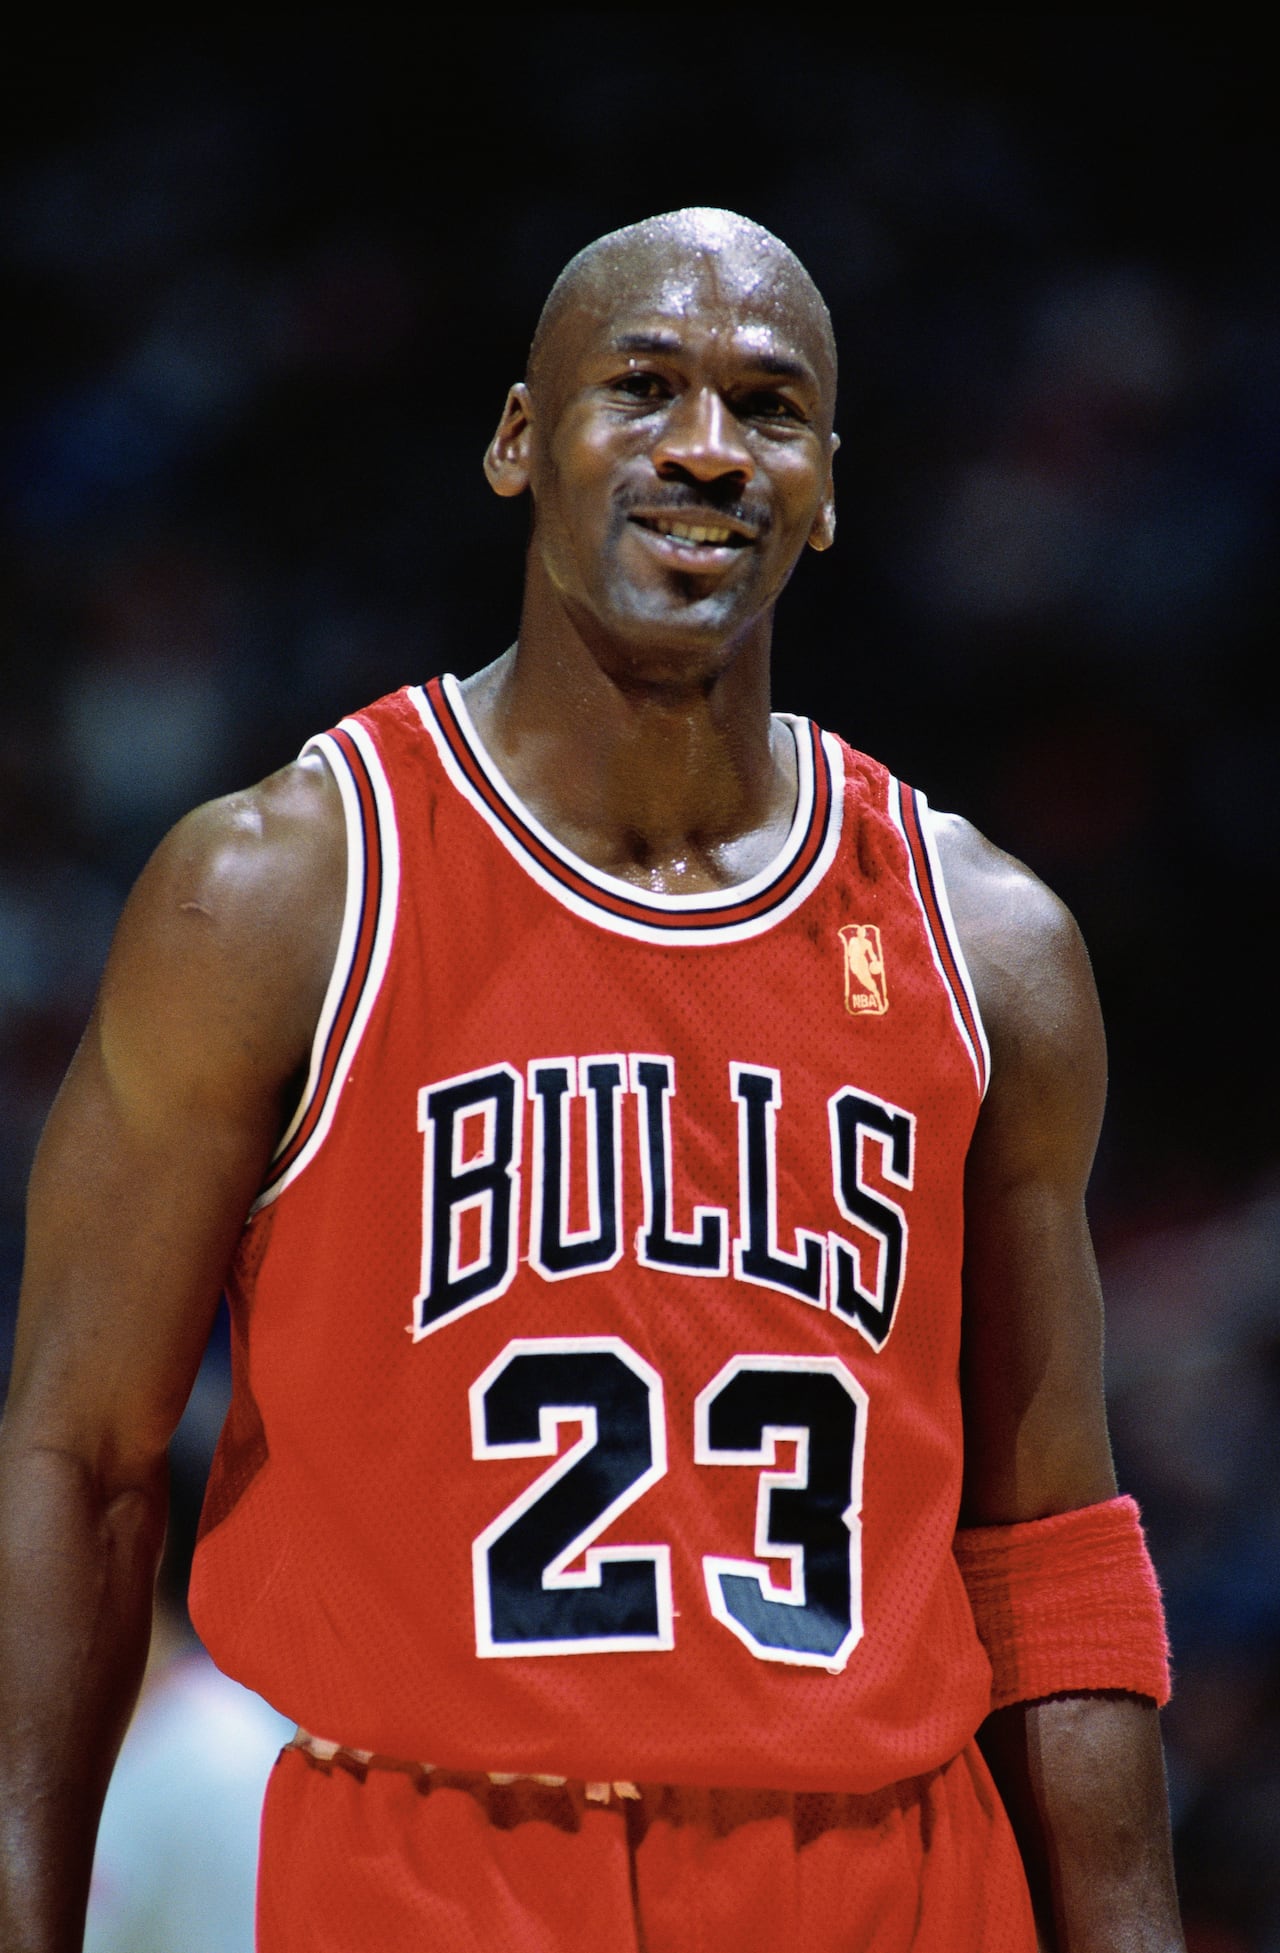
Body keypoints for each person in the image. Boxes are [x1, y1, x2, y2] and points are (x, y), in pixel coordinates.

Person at [0, 207, 1184, 1952]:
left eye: (769, 407)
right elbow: (80, 1461)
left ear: (827, 490)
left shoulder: (988, 943)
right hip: (436, 1863)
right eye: (643, 387)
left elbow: (1052, 1543)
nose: (708, 448)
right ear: (516, 441)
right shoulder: (279, 892)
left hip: (891, 1876)